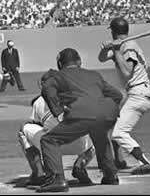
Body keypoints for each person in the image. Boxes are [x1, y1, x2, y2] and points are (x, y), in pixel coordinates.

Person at [37, 48, 123, 193]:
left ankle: (56, 179)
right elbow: (117, 95)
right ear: (79, 62)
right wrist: (104, 109)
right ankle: (111, 175)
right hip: (107, 115)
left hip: (81, 114)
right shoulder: (94, 75)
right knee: (101, 138)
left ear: (59, 63)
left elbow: (46, 88)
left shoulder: (58, 76)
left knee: (49, 140)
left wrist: (58, 111)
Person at [98, 17, 150, 175]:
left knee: (119, 133)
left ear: (113, 31)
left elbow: (126, 73)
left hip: (139, 93)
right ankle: (119, 161)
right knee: (114, 126)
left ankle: (144, 162)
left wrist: (117, 50)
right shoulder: (123, 45)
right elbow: (102, 58)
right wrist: (106, 48)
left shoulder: (129, 47)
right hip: (137, 93)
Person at [17, 70, 95, 187]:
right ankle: (80, 165)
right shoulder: (78, 94)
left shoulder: (39, 101)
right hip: (81, 145)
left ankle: (38, 172)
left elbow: (35, 123)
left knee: (24, 129)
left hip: (52, 146)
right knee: (95, 131)